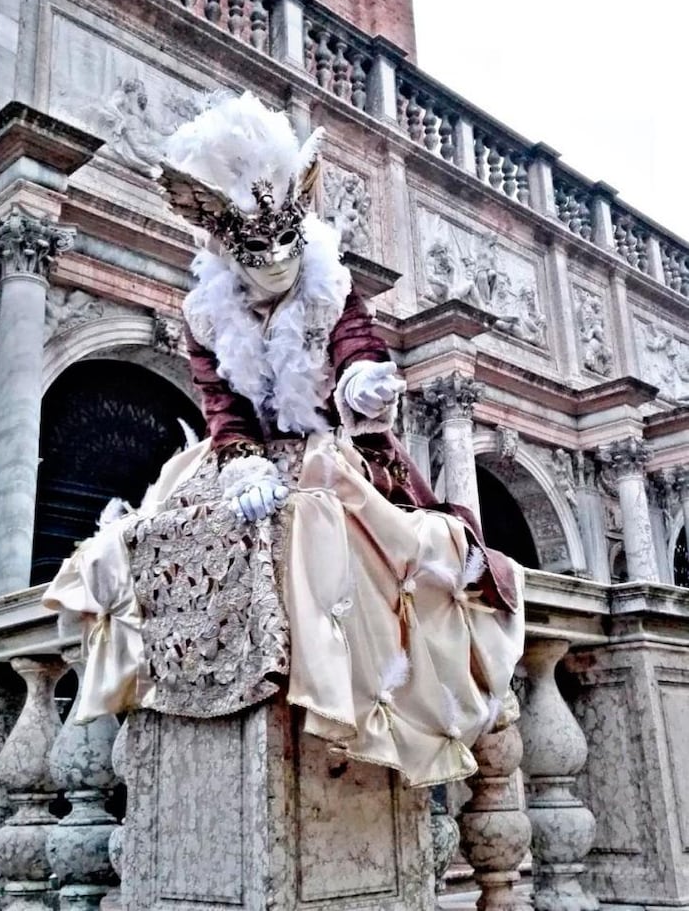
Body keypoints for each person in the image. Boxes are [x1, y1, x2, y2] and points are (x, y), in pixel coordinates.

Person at [44, 92, 524, 787]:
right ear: (226, 255)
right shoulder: (205, 315)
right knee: (149, 539)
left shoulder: (331, 289)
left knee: (333, 524)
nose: (272, 261)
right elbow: (221, 402)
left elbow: (356, 341)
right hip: (247, 455)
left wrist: (361, 381)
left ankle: (341, 697)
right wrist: (238, 461)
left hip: (333, 446)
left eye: (283, 249)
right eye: (255, 253)